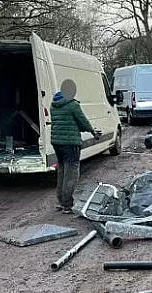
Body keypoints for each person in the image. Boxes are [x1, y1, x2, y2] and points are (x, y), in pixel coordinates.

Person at [51, 79, 101, 214]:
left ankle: (61, 201)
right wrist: (93, 132)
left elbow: (70, 123)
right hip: (71, 143)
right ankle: (67, 205)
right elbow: (83, 121)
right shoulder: (72, 105)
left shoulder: (54, 104)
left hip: (57, 142)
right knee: (71, 173)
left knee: (62, 170)